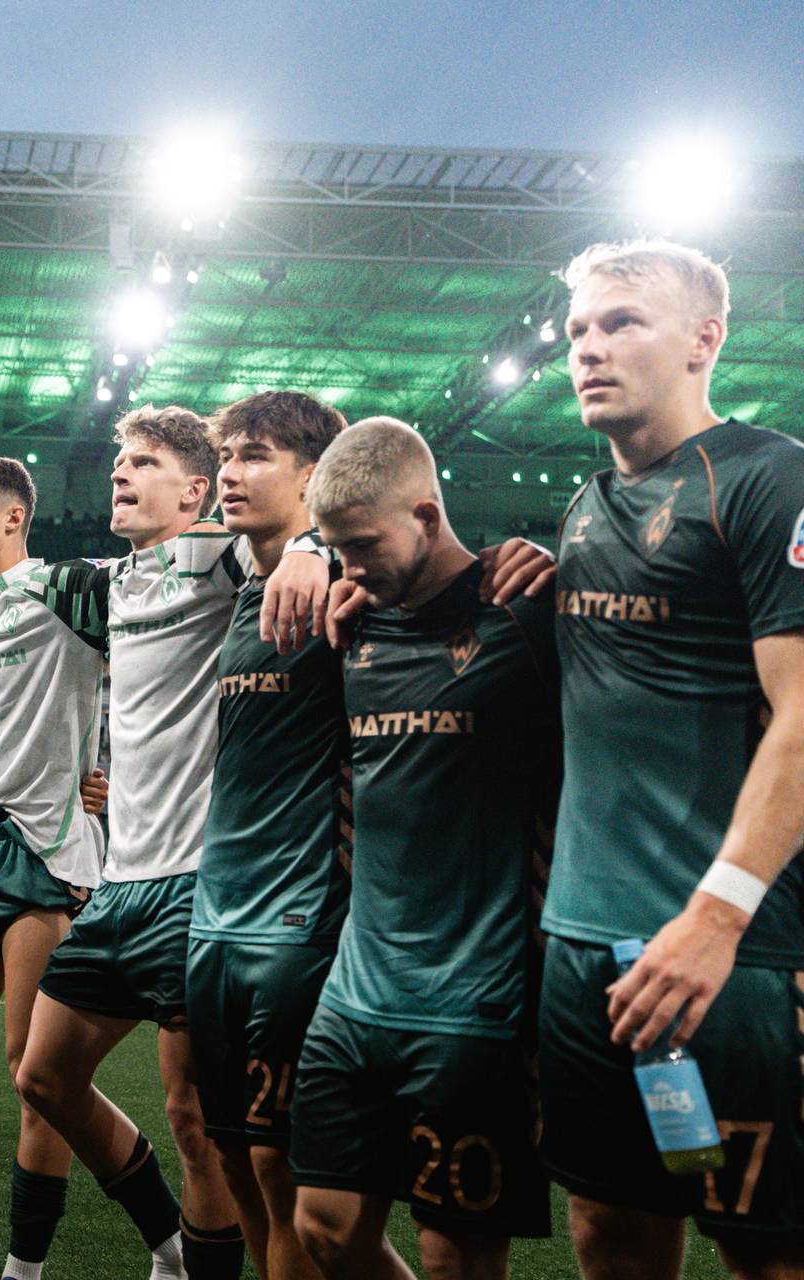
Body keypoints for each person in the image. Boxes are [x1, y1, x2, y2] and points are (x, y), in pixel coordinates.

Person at [532, 240, 804, 1280]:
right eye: (578, 332)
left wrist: (718, 913)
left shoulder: (767, 479)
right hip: (586, 952)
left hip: (726, 956)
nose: (590, 349)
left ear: (705, 338)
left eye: (623, 322)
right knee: (613, 1229)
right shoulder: (586, 503)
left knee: (765, 1250)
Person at [285, 418, 558, 1279]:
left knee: (457, 1256)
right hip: (355, 994)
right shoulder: (354, 627)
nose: (349, 567)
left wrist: (555, 566)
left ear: (429, 516)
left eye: (362, 546)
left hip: (478, 1003)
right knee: (323, 1227)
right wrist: (307, 555)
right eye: (335, 550)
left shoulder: (526, 616)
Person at [18, 405, 260, 1280]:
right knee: (42, 1077)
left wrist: (305, 550)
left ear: (196, 490)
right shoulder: (109, 584)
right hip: (118, 884)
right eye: (119, 461)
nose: (121, 474)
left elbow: (301, 545)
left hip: (199, 882)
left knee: (194, 1119)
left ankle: (195, 1271)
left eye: (145, 462)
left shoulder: (219, 556)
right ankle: (167, 1241)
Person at [187, 391, 349, 1280]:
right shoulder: (243, 591)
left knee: (285, 1170)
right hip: (217, 912)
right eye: (228, 457)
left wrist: (325, 544)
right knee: (232, 1160)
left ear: (314, 474)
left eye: (254, 455)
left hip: (302, 915)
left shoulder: (344, 581)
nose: (230, 474)